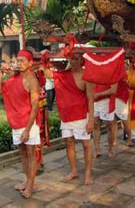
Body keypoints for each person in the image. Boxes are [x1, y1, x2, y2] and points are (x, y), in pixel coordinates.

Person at [44, 52, 94, 185]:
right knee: (69, 143)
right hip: (66, 115)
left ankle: (88, 173)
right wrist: (45, 58)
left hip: (81, 115)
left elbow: (90, 99)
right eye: (71, 58)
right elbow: (47, 73)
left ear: (81, 60)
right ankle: (74, 171)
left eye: (76, 59)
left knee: (86, 144)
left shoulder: (86, 77)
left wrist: (91, 120)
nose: (73, 61)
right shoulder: (63, 74)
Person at [0, 50, 40, 199]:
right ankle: (27, 180)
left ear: (30, 63)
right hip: (16, 122)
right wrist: (1, 73)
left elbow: (35, 107)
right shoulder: (13, 78)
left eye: (22, 61)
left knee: (31, 153)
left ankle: (31, 185)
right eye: (17, 61)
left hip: (29, 122)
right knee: (22, 152)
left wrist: (27, 130)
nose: (19, 64)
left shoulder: (32, 80)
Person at [93, 83, 118, 158]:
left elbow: (113, 90)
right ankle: (97, 150)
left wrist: (98, 94)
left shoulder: (112, 72)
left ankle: (110, 150)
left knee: (110, 127)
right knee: (96, 126)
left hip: (107, 101)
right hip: (95, 102)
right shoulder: (92, 72)